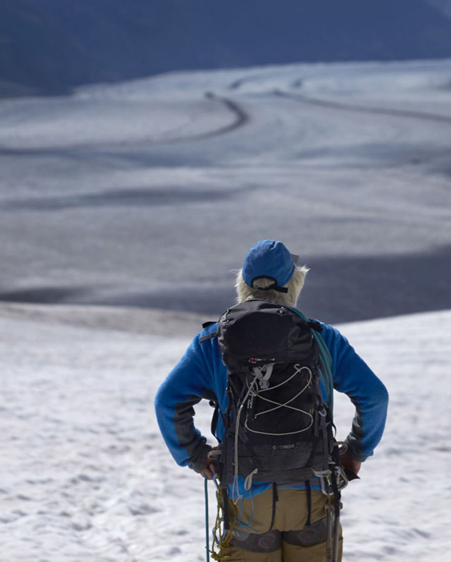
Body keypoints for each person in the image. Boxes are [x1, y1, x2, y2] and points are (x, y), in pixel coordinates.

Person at [155, 239, 389, 561]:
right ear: (295, 284)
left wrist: (195, 455)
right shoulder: (322, 338)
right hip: (313, 492)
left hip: (247, 498)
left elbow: (168, 401)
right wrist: (356, 451)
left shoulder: (211, 343)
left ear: (243, 284)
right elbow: (375, 396)